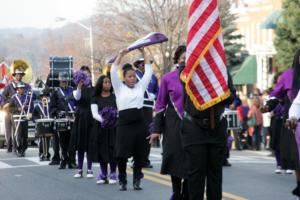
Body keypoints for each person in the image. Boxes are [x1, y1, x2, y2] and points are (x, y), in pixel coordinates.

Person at [180, 68, 236, 199]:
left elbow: (231, 98)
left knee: (215, 176)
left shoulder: (221, 69)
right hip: (194, 128)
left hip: (217, 127)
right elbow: (186, 87)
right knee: (196, 176)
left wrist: (218, 88)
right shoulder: (187, 69)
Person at [148, 45, 188, 200]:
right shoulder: (167, 78)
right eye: (183, 58)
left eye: (188, 59)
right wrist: (156, 129)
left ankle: (187, 193)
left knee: (191, 161)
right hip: (173, 125)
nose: (185, 61)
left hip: (193, 125)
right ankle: (176, 192)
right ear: (177, 60)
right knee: (175, 160)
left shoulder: (198, 77)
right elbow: (160, 105)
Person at [111, 47, 153, 191]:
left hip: (139, 124)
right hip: (124, 124)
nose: (132, 79)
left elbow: (148, 71)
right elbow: (113, 70)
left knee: (139, 154)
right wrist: (121, 54)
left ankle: (136, 180)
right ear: (124, 77)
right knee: (121, 155)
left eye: (134, 76)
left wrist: (144, 53)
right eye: (129, 76)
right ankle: (122, 180)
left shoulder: (140, 87)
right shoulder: (119, 88)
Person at [262, 49, 300, 198]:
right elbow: (275, 95)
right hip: (292, 124)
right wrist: (267, 106)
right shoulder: (288, 75)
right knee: (297, 159)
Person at [89, 75, 118, 185]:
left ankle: (113, 173)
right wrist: (105, 120)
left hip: (113, 128)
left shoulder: (115, 97)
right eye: (105, 82)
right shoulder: (95, 97)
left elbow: (118, 110)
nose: (108, 84)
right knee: (102, 150)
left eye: (109, 82)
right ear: (100, 84)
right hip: (100, 128)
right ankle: (104, 173)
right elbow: (94, 114)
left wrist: (113, 119)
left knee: (113, 150)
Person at [134, 55, 159, 168]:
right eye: (142, 63)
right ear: (138, 64)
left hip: (149, 107)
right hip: (137, 107)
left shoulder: (153, 77)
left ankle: (145, 159)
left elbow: (158, 92)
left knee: (148, 132)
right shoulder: (134, 75)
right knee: (138, 133)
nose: (144, 65)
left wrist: (154, 96)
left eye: (146, 63)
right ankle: (136, 159)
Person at [71, 66, 94, 178]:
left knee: (90, 144)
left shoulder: (95, 89)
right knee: (80, 144)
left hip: (91, 118)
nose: (86, 77)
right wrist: (79, 86)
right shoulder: (77, 90)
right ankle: (79, 169)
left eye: (88, 74)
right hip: (81, 118)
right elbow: (77, 98)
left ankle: (89, 169)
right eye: (84, 75)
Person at [49, 72, 77, 169]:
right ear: (60, 81)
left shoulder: (73, 90)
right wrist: (58, 113)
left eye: (65, 80)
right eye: (62, 80)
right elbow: (52, 107)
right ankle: (64, 160)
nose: (64, 82)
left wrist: (75, 112)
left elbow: (78, 103)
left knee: (72, 141)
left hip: (73, 118)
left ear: (68, 81)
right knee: (62, 141)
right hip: (62, 119)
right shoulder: (55, 92)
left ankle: (72, 161)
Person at [2, 67, 31, 153]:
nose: (19, 76)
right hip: (10, 109)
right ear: (14, 76)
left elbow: (29, 96)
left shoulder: (25, 85)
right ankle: (9, 146)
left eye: (20, 75)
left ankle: (17, 147)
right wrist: (5, 103)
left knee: (18, 131)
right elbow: (3, 96)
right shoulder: (9, 86)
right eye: (17, 75)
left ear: (22, 76)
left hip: (21, 111)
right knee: (8, 130)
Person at [9, 82, 33, 157]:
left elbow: (31, 106)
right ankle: (18, 149)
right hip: (16, 118)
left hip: (24, 117)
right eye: (20, 88)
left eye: (23, 88)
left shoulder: (27, 97)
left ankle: (24, 149)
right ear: (17, 89)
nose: (22, 90)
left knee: (25, 135)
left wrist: (29, 111)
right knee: (18, 135)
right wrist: (18, 109)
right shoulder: (14, 97)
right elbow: (10, 108)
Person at [32, 90, 52, 161]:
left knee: (48, 140)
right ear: (40, 98)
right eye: (43, 96)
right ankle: (41, 153)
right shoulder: (37, 106)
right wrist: (36, 120)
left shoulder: (50, 105)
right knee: (41, 140)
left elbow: (52, 113)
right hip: (40, 124)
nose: (44, 98)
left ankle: (47, 154)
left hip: (48, 124)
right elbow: (34, 115)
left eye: (46, 96)